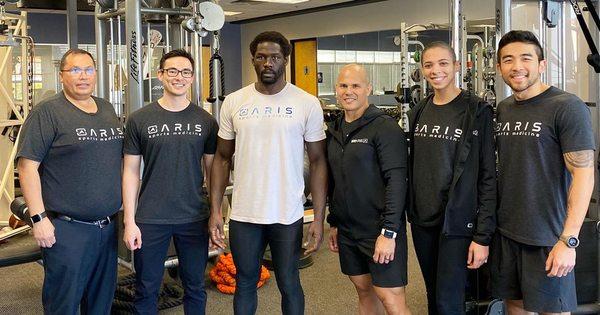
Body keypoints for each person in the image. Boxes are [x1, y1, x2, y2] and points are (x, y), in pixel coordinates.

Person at [208, 31, 328, 315]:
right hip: (244, 215)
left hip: (287, 213)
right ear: (253, 60)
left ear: (285, 60)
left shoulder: (306, 103)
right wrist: (215, 210)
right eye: (261, 57)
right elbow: (222, 158)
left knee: (289, 281)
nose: (268, 63)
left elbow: (319, 161)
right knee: (245, 282)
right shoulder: (235, 102)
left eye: (274, 57)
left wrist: (319, 219)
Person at [491, 30, 595, 314]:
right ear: (499, 67)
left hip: (548, 236)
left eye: (526, 58)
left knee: (553, 310)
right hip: (508, 232)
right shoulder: (504, 109)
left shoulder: (566, 106)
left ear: (541, 64)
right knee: (515, 306)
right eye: (508, 60)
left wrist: (568, 240)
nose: (517, 67)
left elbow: (584, 174)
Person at [17, 48, 123, 314]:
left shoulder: (107, 109)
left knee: (100, 304)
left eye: (88, 69)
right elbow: (27, 167)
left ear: (96, 73)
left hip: (107, 227)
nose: (82, 76)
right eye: (75, 70)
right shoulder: (47, 112)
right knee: (63, 304)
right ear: (62, 75)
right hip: (67, 229)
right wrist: (39, 219)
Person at [122, 49, 218, 314]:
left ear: (193, 77)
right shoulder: (139, 119)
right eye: (173, 71)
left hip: (193, 216)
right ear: (160, 75)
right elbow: (130, 171)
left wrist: (216, 215)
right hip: (151, 218)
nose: (179, 77)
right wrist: (130, 221)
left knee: (195, 286)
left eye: (186, 72)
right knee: (147, 287)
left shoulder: (206, 121)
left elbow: (213, 173)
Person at [407, 41, 497, 314]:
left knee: (450, 300)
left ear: (457, 66)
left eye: (443, 63)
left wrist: (482, 236)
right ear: (422, 70)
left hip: (457, 221)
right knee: (433, 294)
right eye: (429, 65)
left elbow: (487, 177)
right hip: (422, 219)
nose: (436, 70)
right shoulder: (419, 111)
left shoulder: (476, 111)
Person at [326, 64, 412, 315]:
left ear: (368, 89)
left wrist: (389, 233)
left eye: (355, 85)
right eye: (343, 85)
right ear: (336, 89)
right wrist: (334, 222)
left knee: (391, 298)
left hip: (379, 229)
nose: (348, 91)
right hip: (348, 229)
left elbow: (397, 181)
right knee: (364, 290)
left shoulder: (384, 128)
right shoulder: (336, 129)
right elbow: (336, 180)